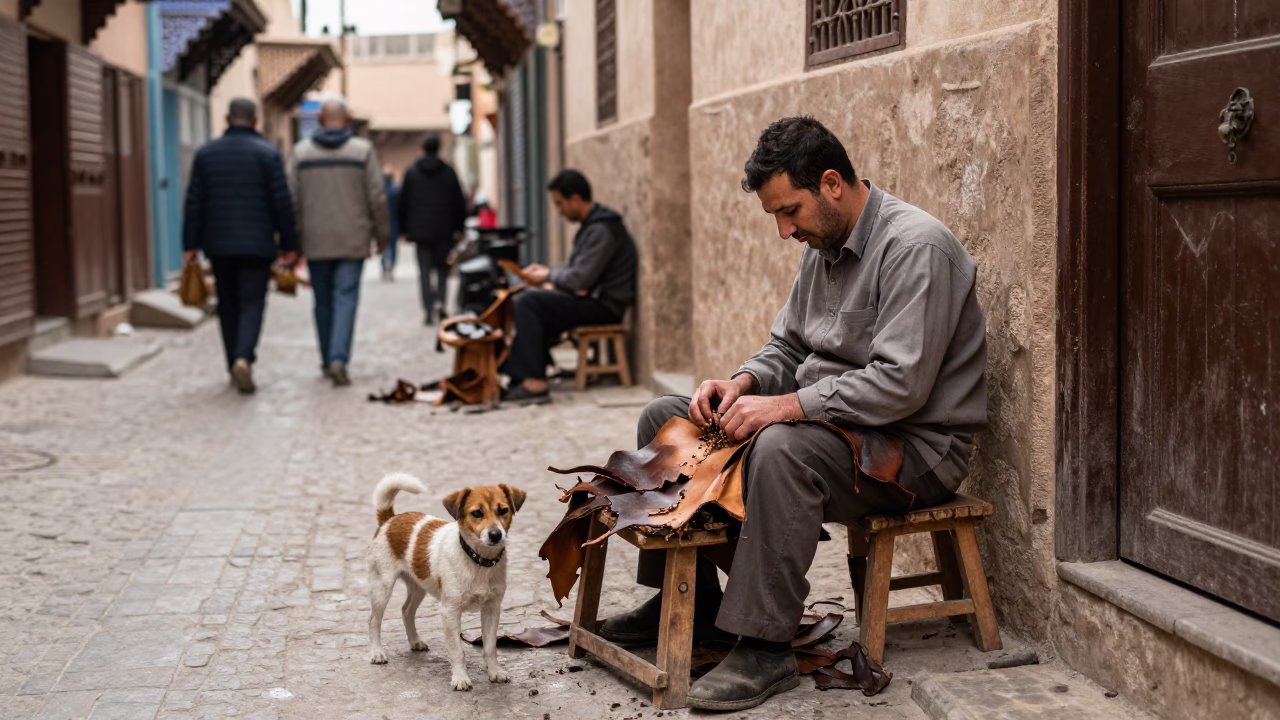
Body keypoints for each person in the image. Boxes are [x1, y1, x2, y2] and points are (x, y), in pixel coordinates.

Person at [597, 117, 988, 711]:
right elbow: (789, 348)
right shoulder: (823, 246)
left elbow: (901, 386)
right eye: (775, 216)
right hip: (835, 429)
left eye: (790, 211)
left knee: (781, 449)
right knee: (667, 417)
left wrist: (785, 407)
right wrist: (742, 384)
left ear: (832, 183)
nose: (785, 231)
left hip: (913, 451)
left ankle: (764, 645)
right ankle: (694, 600)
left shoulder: (916, 248)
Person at [182, 98, 298, 394]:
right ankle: (245, 356)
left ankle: (232, 360)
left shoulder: (206, 154)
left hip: (219, 244)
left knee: (228, 304)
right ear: (256, 121)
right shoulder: (268, 154)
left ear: (226, 118)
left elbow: (194, 201)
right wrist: (289, 243)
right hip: (257, 244)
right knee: (252, 302)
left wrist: (190, 243)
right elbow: (282, 203)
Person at [501, 169, 637, 403]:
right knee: (532, 298)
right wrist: (549, 277)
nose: (559, 210)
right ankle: (521, 373)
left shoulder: (602, 230)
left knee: (529, 302)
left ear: (575, 198)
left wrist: (548, 276)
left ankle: (534, 381)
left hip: (605, 305)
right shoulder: (593, 227)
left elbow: (579, 280)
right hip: (594, 299)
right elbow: (577, 274)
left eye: (560, 203)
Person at [290, 98, 390, 387]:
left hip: (315, 239)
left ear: (320, 120)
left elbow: (291, 199)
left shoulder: (301, 153)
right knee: (345, 298)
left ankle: (326, 358)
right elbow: (377, 197)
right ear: (347, 120)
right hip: (353, 239)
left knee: (322, 301)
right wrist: (382, 236)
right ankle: (339, 358)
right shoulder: (363, 152)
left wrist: (293, 241)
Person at [398, 132, 467, 325]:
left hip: (420, 232)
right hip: (444, 230)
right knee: (443, 270)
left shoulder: (412, 172)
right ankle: (441, 304)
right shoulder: (448, 172)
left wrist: (404, 230)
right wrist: (459, 227)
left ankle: (428, 309)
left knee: (425, 272)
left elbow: (403, 203)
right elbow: (458, 202)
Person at [381, 165, 400, 281]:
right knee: (392, 247)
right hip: (393, 222)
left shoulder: (379, 190)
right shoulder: (396, 190)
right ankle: (390, 266)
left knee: (385, 246)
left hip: (384, 222)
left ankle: (385, 267)